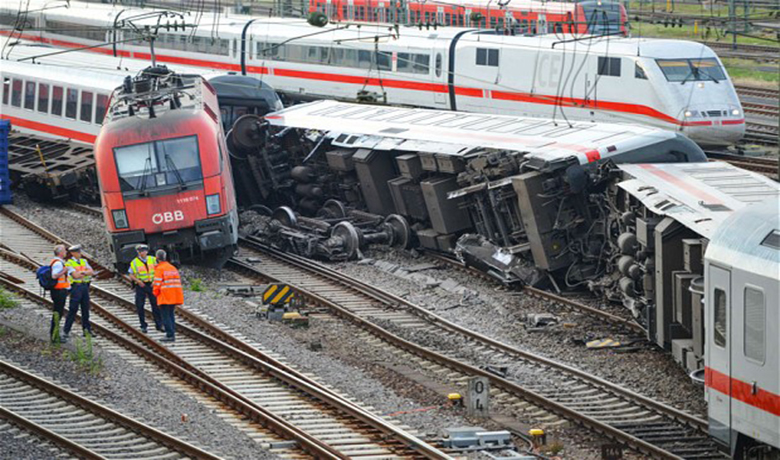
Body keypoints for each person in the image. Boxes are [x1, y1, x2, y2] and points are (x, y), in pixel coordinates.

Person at [128, 244, 163, 334]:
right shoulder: (134, 262)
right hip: (141, 285)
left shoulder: (152, 259)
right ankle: (143, 325)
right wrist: (138, 281)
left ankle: (159, 324)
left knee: (155, 305)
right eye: (140, 251)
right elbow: (131, 274)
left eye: (144, 251)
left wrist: (155, 281)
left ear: (147, 251)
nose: (142, 253)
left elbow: (159, 271)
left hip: (151, 285)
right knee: (140, 305)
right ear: (138, 252)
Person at [63, 245, 94, 340]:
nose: (80, 253)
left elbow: (91, 271)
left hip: (84, 286)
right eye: (78, 252)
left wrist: (82, 273)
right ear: (73, 253)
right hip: (76, 288)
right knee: (73, 309)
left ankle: (87, 330)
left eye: (80, 252)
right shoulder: (69, 263)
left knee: (85, 309)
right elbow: (75, 276)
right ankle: (66, 331)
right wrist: (85, 272)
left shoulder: (84, 261)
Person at [152, 250, 182, 343]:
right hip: (174, 295)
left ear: (157, 258)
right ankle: (172, 333)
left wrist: (155, 293)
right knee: (171, 315)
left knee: (165, 316)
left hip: (164, 296)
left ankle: (170, 335)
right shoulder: (172, 268)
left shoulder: (160, 269)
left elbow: (157, 284)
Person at [49, 244, 70, 343]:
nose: (66, 252)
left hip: (59, 291)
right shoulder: (58, 263)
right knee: (58, 313)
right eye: (65, 250)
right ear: (60, 253)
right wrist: (64, 270)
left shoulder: (58, 262)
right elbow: (54, 276)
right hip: (58, 291)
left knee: (58, 313)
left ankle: (55, 335)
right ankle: (54, 336)